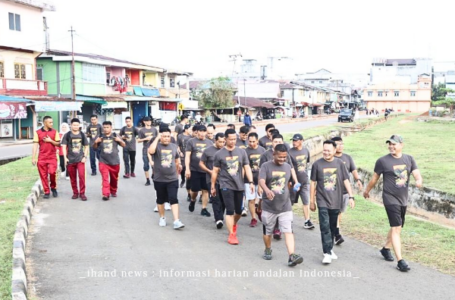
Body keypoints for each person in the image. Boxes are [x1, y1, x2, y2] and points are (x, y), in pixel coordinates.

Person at [363, 135, 422, 272]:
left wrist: (418, 180)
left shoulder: (409, 159)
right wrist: (367, 191)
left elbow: (416, 173)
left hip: (403, 198)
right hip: (390, 198)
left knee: (398, 226)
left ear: (401, 145)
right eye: (389, 144)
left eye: (394, 144)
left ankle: (385, 249)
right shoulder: (382, 161)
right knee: (396, 227)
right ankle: (400, 261)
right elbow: (374, 179)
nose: (391, 146)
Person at [310, 140, 354, 264]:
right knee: (324, 226)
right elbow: (313, 183)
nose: (326, 152)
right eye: (324, 150)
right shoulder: (317, 165)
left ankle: (330, 249)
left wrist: (351, 196)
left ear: (334, 151)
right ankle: (327, 253)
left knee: (333, 227)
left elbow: (346, 180)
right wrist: (312, 201)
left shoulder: (340, 164)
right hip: (322, 200)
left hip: (336, 200)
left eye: (328, 150)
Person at [258, 144, 303, 266]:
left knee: (288, 231)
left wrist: (293, 186)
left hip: (285, 206)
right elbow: (261, 180)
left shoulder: (288, 167)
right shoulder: (266, 166)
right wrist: (267, 190)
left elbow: (288, 183)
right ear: (274, 154)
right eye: (280, 157)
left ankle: (291, 256)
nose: (282, 159)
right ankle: (267, 249)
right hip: (269, 206)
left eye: (284, 157)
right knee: (268, 232)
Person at [211, 129, 254, 245]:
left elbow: (247, 168)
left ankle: (233, 224)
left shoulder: (241, 152)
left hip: (239, 185)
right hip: (225, 184)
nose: (233, 141)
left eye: (234, 139)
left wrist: (251, 182)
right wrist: (213, 186)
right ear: (225, 139)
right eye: (230, 139)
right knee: (230, 210)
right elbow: (215, 171)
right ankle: (231, 235)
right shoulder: (219, 154)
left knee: (238, 211)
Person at [148, 127, 185, 229]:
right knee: (160, 199)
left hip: (172, 179)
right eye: (164, 136)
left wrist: (178, 170)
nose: (166, 138)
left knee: (173, 199)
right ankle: (162, 218)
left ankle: (176, 221)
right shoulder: (157, 146)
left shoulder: (174, 146)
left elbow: (177, 160)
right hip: (159, 179)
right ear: (160, 137)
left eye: (168, 136)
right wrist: (157, 138)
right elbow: (150, 151)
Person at [332, 136, 363, 244]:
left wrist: (358, 179)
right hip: (333, 191)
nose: (340, 146)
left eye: (341, 144)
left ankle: (336, 230)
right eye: (337, 144)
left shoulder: (347, 158)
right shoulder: (330, 158)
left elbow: (353, 170)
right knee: (335, 212)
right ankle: (336, 234)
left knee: (339, 212)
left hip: (345, 192)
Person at [93, 121, 126, 200]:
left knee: (114, 178)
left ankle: (113, 190)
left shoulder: (115, 135)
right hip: (103, 161)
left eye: (107, 127)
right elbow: (94, 148)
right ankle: (106, 194)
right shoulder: (100, 136)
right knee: (105, 178)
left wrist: (119, 140)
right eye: (104, 127)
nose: (106, 129)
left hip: (114, 162)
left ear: (111, 128)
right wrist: (95, 142)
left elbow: (124, 145)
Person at [185, 125, 213, 216]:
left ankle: (204, 208)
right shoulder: (191, 142)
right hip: (194, 169)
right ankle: (193, 200)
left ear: (206, 132)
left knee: (205, 190)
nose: (202, 134)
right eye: (200, 132)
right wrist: (187, 169)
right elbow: (187, 156)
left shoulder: (210, 143)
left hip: (206, 170)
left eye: (204, 132)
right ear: (197, 132)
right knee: (195, 190)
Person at [200, 132, 226, 229]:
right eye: (220, 142)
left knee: (223, 200)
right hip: (211, 179)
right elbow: (201, 163)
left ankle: (220, 216)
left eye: (224, 142)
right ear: (215, 141)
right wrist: (209, 171)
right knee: (215, 199)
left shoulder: (227, 151)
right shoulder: (208, 150)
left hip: (224, 180)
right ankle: (218, 219)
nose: (222, 144)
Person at [288, 134, 314, 229]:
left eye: (296, 140)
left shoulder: (306, 151)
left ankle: (307, 221)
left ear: (301, 141)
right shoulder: (289, 153)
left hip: (304, 181)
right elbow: (288, 168)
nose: (294, 142)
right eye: (293, 140)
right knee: (290, 202)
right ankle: (288, 221)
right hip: (293, 183)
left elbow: (306, 165)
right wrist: (290, 181)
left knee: (306, 201)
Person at [32, 116, 60, 198]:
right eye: (50, 122)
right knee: (43, 175)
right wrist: (33, 158)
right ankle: (46, 191)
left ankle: (53, 187)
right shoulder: (37, 132)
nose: (52, 124)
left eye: (52, 122)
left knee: (52, 173)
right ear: (45, 123)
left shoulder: (55, 132)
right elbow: (35, 145)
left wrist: (50, 140)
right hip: (42, 157)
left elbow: (58, 143)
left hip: (52, 157)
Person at [61, 118, 89, 201]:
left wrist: (85, 156)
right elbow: (63, 146)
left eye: (77, 125)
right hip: (70, 160)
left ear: (79, 125)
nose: (76, 126)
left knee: (81, 176)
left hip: (80, 159)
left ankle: (82, 193)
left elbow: (86, 146)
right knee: (72, 178)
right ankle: (75, 193)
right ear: (71, 125)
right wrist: (65, 158)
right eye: (74, 125)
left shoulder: (82, 134)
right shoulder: (67, 135)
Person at [244, 132, 266, 227]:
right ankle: (253, 218)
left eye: (254, 141)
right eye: (250, 141)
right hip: (248, 179)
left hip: (261, 179)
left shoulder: (263, 150)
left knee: (261, 198)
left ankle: (259, 210)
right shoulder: (245, 151)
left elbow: (265, 167)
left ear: (257, 140)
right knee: (251, 199)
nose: (252, 143)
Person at [137, 116, 158, 186]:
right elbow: (138, 140)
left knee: (154, 165)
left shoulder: (154, 129)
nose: (149, 122)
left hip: (154, 150)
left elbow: (158, 138)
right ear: (144, 122)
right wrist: (145, 138)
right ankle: (147, 179)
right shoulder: (142, 130)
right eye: (148, 121)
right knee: (146, 165)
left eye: (150, 121)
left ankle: (153, 175)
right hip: (146, 149)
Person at [177, 124, 192, 191]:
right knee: (182, 169)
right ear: (186, 129)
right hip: (182, 155)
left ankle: (188, 181)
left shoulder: (191, 137)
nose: (190, 130)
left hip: (189, 155)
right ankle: (183, 179)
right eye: (189, 129)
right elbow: (178, 145)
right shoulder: (180, 136)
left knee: (188, 168)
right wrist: (180, 152)